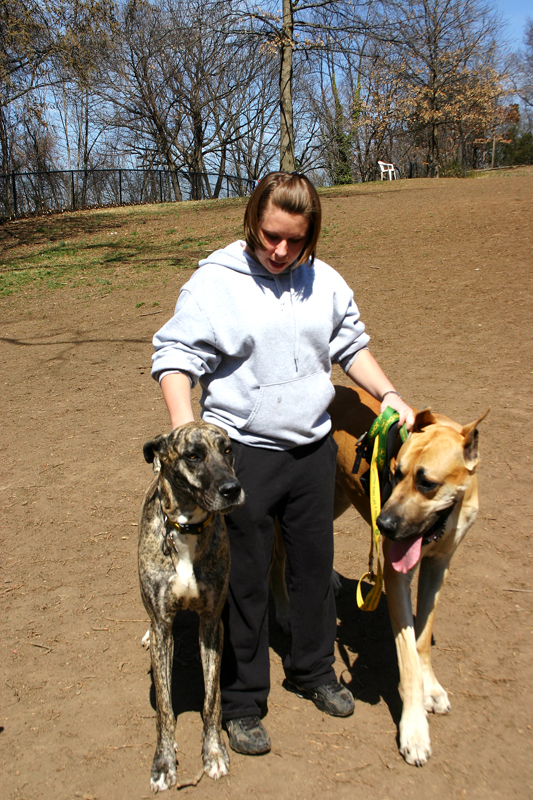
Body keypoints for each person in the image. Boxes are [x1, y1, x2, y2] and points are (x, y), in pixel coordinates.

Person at [151, 172, 414, 757]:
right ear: (252, 222)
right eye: (270, 236)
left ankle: (314, 670)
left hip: (311, 449)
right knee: (244, 580)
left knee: (314, 567)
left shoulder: (324, 281)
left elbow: (351, 344)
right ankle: (243, 704)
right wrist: (182, 426)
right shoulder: (214, 282)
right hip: (243, 453)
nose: (279, 251)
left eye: (294, 240)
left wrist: (389, 393)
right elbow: (175, 354)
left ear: (310, 235)